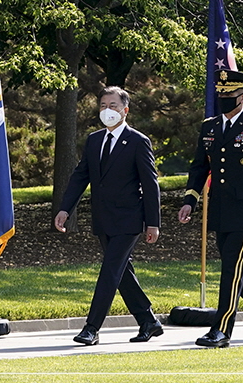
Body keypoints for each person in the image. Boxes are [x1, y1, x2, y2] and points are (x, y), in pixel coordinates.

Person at [179, 70, 243, 347]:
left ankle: (222, 329)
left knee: (231, 270)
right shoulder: (210, 127)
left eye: (230, 95)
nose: (224, 99)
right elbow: (200, 166)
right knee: (233, 267)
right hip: (221, 208)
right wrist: (190, 199)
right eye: (221, 95)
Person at [54, 86, 162, 346]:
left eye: (113, 105)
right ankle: (148, 321)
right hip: (103, 218)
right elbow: (81, 176)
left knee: (110, 271)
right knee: (122, 271)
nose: (107, 110)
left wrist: (153, 223)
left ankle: (91, 327)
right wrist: (65, 208)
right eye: (103, 105)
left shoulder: (138, 141)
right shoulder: (94, 140)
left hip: (129, 219)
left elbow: (150, 184)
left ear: (125, 110)